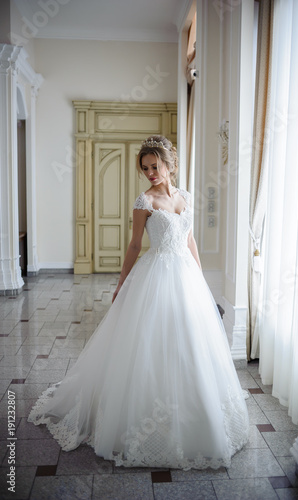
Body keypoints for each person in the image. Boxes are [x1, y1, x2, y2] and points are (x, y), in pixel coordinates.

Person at [28, 135, 249, 471]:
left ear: (169, 164)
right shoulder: (144, 201)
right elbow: (134, 246)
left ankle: (196, 410)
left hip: (186, 275)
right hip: (156, 273)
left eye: (155, 166)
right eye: (145, 168)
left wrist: (201, 280)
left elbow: (189, 239)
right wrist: (120, 284)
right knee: (149, 342)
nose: (150, 173)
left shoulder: (186, 197)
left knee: (191, 343)